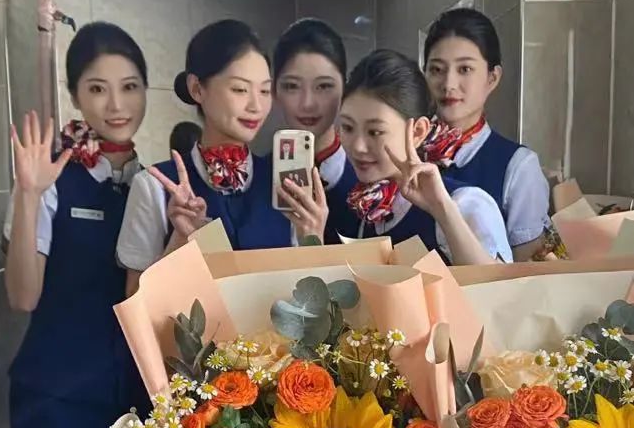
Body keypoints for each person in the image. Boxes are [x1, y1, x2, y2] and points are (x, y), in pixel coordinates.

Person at [4, 22, 149, 428]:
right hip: (57, 401)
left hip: (135, 406)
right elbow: (22, 297)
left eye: (130, 87)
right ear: (75, 96)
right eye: (98, 89)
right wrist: (29, 194)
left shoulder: (155, 184)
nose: (117, 105)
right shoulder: (50, 179)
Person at [117, 19, 309, 294]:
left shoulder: (284, 182)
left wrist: (312, 235)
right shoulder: (154, 187)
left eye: (265, 91)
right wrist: (179, 240)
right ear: (197, 88)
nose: (256, 106)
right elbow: (135, 300)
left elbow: (305, 295)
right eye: (240, 89)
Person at [326, 48, 512, 264]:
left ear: (418, 132)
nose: (358, 146)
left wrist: (443, 211)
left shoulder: (466, 203)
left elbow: (497, 284)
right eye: (348, 127)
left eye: (375, 132)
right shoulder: (369, 208)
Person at [423, 7, 549, 261]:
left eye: (464, 69)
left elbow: (527, 272)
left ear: (492, 78)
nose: (448, 84)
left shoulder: (518, 166)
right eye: (436, 69)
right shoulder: (408, 152)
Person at [272, 18, 356, 205]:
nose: (308, 104)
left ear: (345, 90)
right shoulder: (251, 180)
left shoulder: (371, 182)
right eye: (292, 86)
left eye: (324, 86)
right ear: (274, 91)